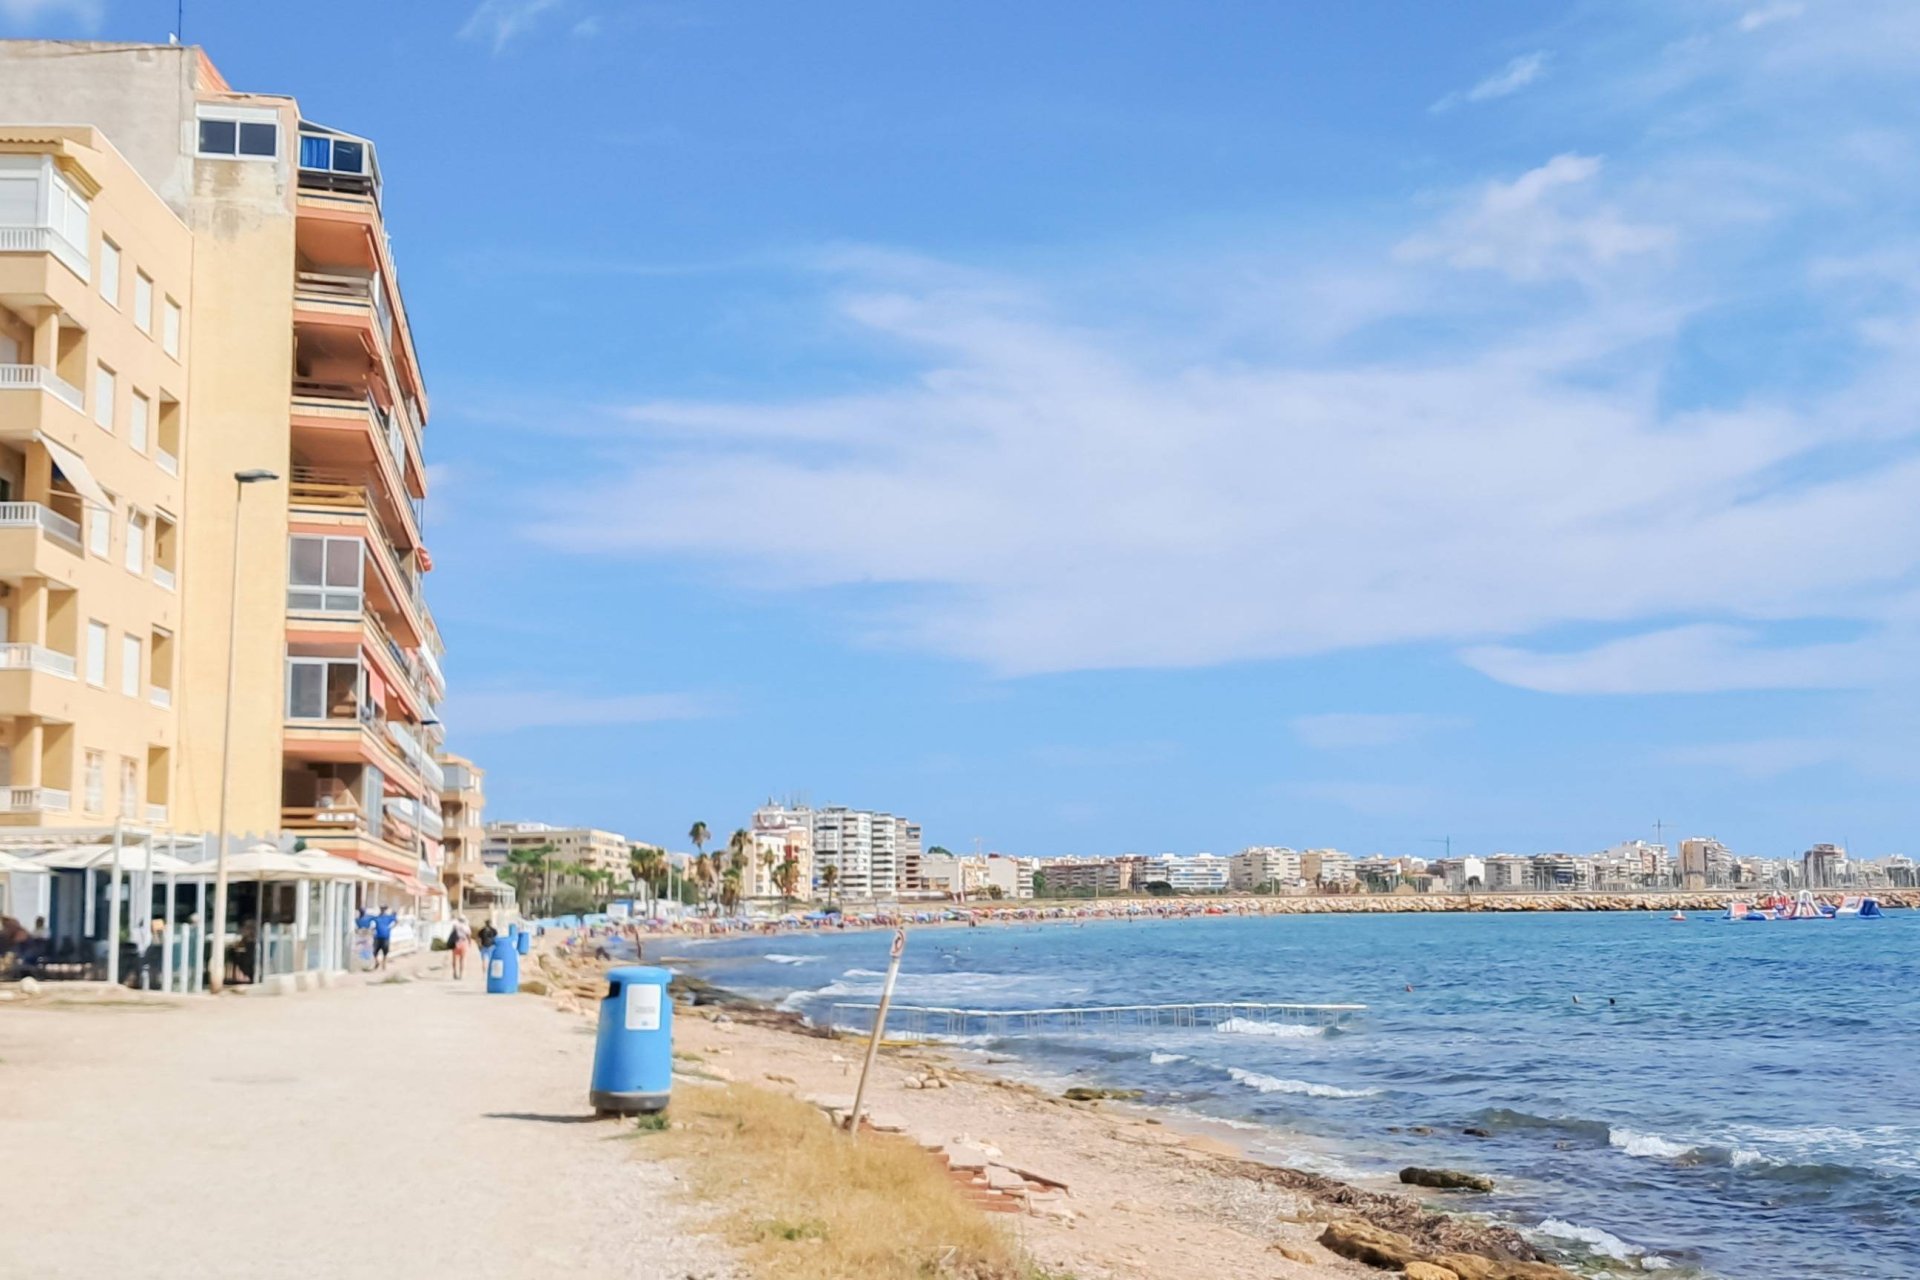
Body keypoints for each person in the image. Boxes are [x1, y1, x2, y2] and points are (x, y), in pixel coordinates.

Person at [369, 905, 398, 970]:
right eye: (381, 909)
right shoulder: (377, 917)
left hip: (385, 936)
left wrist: (391, 927)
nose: (382, 910)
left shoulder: (388, 917)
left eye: (384, 909)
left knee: (385, 951)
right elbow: (371, 922)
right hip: (377, 936)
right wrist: (373, 928)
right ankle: (377, 962)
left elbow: (396, 920)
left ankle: (384, 964)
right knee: (375, 951)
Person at [447, 915, 472, 980]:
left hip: (456, 943)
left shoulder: (455, 926)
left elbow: (452, 933)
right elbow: (468, 936)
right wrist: (469, 943)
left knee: (455, 959)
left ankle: (455, 973)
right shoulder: (466, 927)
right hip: (463, 942)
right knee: (462, 959)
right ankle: (461, 974)